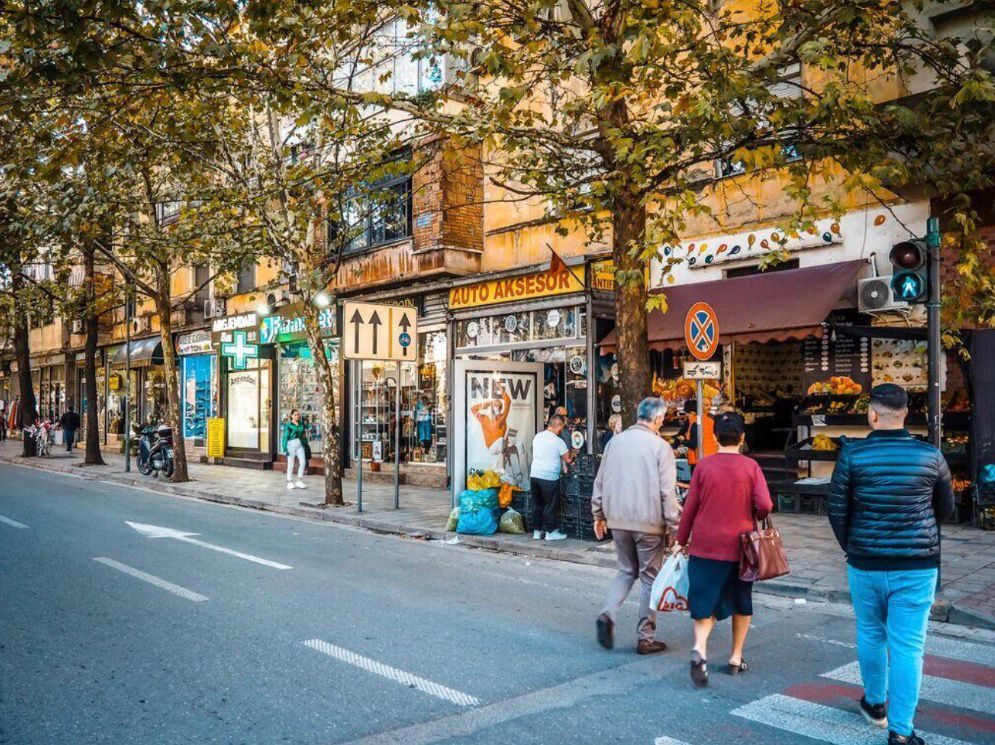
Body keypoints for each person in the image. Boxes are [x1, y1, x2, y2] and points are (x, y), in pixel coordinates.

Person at [828, 384, 955, 745]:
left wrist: (855, 546)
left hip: (865, 563)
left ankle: (874, 704)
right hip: (917, 566)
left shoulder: (852, 455)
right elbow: (945, 508)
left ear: (872, 414)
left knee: (870, 631)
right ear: (906, 414)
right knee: (908, 646)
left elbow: (836, 511)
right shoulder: (930, 455)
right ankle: (901, 731)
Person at [671, 411, 772, 688]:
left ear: (715, 437)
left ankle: (700, 649)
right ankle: (736, 657)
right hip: (741, 547)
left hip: (705, 545)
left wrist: (680, 539)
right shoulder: (751, 467)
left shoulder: (704, 466)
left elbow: (690, 508)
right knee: (741, 600)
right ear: (742, 437)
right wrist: (753, 512)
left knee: (704, 602)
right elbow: (765, 504)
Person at [592, 397, 680, 654]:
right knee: (650, 578)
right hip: (649, 522)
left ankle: (608, 613)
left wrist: (598, 514)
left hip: (618, 519)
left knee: (626, 571)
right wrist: (675, 527)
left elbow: (600, 480)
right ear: (658, 418)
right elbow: (667, 493)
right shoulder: (661, 447)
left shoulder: (614, 443)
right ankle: (645, 637)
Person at [529, 413, 571, 541]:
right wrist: (574, 453)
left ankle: (537, 531)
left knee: (537, 504)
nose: (561, 430)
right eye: (562, 427)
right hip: (549, 477)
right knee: (550, 505)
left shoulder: (537, 436)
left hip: (535, 475)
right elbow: (568, 459)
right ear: (559, 426)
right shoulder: (558, 441)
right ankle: (550, 532)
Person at [471, 383, 511, 471]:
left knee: (513, 444)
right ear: (492, 408)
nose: (498, 408)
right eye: (495, 405)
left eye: (499, 406)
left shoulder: (502, 418)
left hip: (502, 447)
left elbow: (508, 402)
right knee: (501, 441)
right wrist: (485, 405)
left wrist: (501, 389)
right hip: (492, 447)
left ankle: (521, 472)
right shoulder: (485, 419)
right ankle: (501, 469)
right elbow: (473, 409)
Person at [676, 399, 718, 468]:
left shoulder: (695, 423)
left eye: (687, 414)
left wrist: (683, 440)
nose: (687, 416)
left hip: (699, 460)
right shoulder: (710, 421)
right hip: (711, 457)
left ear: (692, 413)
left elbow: (694, 444)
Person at [281, 409, 309, 490]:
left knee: (303, 462)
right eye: (296, 414)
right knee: (291, 463)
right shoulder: (288, 424)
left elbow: (307, 428)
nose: (298, 416)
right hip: (291, 444)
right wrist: (285, 448)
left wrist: (306, 421)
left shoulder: (301, 423)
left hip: (300, 444)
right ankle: (289, 481)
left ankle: (299, 480)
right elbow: (285, 436)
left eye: (298, 414)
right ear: (292, 415)